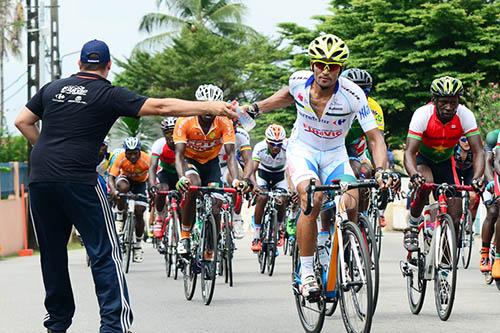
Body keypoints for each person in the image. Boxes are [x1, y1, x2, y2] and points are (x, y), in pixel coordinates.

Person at [14, 39, 236, 333]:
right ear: (108, 66)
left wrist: (46, 149)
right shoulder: (107, 93)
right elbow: (160, 106)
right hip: (80, 178)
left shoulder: (53, 88)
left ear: (79, 64)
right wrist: (211, 106)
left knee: (53, 253)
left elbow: (22, 121)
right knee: (104, 252)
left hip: (41, 177)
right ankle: (113, 327)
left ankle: (57, 324)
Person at [240, 34, 390, 300]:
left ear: (340, 69)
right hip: (303, 150)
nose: (326, 70)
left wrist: (381, 170)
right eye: (321, 64)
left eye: (332, 66)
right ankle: (307, 271)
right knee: (313, 197)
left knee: (352, 200)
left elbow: (375, 137)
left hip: (334, 154)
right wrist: (255, 108)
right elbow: (285, 96)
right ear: (312, 65)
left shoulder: (353, 95)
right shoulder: (298, 82)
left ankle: (343, 250)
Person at [403, 76, 484, 252]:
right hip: (423, 159)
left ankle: (445, 266)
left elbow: (478, 151)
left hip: (446, 162)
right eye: (444, 102)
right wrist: (413, 175)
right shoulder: (422, 114)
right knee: (425, 182)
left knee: (455, 216)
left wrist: (477, 178)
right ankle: (412, 225)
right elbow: (409, 152)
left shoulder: (465, 115)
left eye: (453, 103)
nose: (449, 107)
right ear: (434, 101)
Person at [174, 84, 245, 256]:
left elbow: (230, 155)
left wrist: (235, 179)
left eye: (212, 106)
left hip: (211, 163)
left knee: (216, 206)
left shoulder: (225, 122)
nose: (208, 110)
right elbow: (179, 155)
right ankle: (185, 236)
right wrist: (181, 177)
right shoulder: (184, 121)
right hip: (189, 161)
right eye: (203, 104)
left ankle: (210, 249)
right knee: (193, 185)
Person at [341, 68, 388, 226]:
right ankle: (324, 232)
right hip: (333, 144)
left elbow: (376, 141)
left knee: (363, 173)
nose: (358, 95)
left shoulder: (373, 108)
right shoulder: (334, 101)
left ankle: (362, 216)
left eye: (364, 91)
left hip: (354, 145)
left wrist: (381, 171)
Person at [108, 137, 150, 262]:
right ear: (125, 152)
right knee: (122, 188)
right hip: (125, 179)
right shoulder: (120, 158)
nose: (132, 156)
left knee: (139, 212)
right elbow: (111, 178)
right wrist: (114, 192)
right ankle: (120, 215)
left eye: (135, 153)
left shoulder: (146, 159)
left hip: (141, 184)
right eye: (129, 153)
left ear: (139, 151)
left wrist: (153, 190)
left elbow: (154, 175)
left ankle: (137, 246)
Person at [247, 124, 288, 252]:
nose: (276, 147)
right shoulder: (260, 148)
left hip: (280, 176)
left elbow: (292, 169)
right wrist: (255, 186)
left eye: (279, 144)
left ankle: (280, 228)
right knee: (262, 197)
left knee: (282, 199)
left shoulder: (288, 148)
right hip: (263, 174)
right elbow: (252, 170)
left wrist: (292, 188)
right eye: (272, 144)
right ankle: (257, 236)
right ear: (267, 141)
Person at [219, 120, 253, 239]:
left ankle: (237, 218)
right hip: (212, 165)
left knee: (237, 180)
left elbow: (248, 160)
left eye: (232, 127)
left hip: (230, 166)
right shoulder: (213, 131)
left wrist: (246, 179)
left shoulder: (241, 136)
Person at [148, 117, 179, 238]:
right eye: (167, 133)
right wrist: (152, 184)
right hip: (165, 173)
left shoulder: (185, 143)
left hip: (180, 174)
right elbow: (152, 167)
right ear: (163, 134)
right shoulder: (159, 144)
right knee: (161, 189)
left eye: (174, 132)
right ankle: (159, 217)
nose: (171, 136)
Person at [480, 129, 500, 273]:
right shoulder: (493, 137)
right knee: (493, 212)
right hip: (491, 177)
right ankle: (485, 254)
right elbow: (489, 162)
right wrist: (490, 181)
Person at [454, 136, 479, 222]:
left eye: (469, 140)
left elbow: (478, 166)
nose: (467, 143)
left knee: (474, 196)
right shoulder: (454, 149)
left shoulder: (474, 149)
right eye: (463, 140)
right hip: (455, 170)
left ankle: (470, 220)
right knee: (456, 195)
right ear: (458, 141)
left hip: (469, 171)